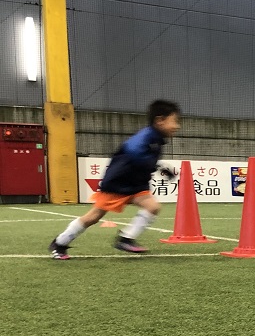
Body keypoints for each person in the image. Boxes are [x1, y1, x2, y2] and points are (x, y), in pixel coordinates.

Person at [48, 100, 180, 259]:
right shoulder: (145, 136)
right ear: (160, 120)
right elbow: (133, 151)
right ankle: (60, 243)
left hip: (135, 185)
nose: (177, 126)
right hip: (118, 184)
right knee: (93, 217)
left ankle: (125, 239)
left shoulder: (156, 139)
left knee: (153, 207)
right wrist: (154, 166)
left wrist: (161, 168)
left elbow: (145, 158)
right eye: (174, 121)